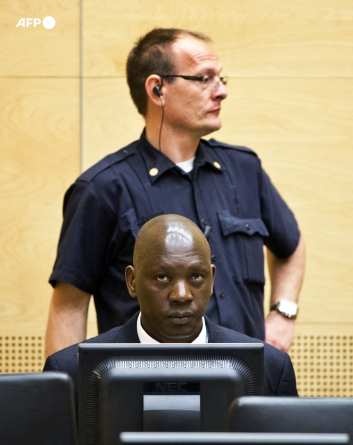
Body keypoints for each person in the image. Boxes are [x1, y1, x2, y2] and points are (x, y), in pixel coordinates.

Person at [45, 28, 305, 358]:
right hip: (143, 394)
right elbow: (69, 307)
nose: (221, 91)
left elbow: (292, 246)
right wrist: (70, 401)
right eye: (204, 78)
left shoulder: (244, 169)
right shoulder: (103, 188)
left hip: (245, 387)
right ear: (157, 89)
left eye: (221, 78)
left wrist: (283, 314)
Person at [44, 214, 298, 398]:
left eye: (196, 277)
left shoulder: (271, 370)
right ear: (132, 282)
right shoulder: (70, 373)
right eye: (162, 277)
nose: (182, 295)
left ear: (211, 280)